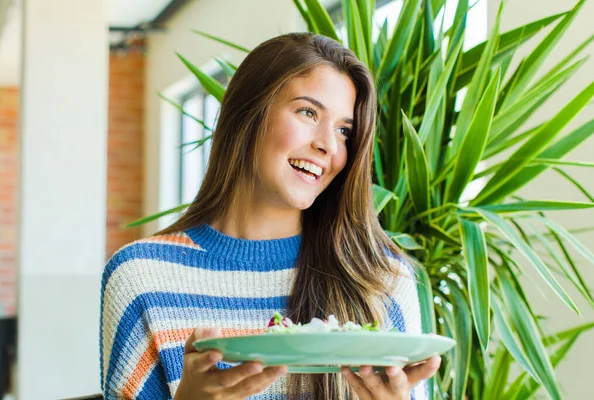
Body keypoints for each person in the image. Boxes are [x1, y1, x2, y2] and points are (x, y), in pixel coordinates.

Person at [100, 32, 441, 400]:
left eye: (344, 131)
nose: (328, 144)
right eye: (308, 112)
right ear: (248, 114)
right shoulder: (141, 278)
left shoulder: (381, 282)